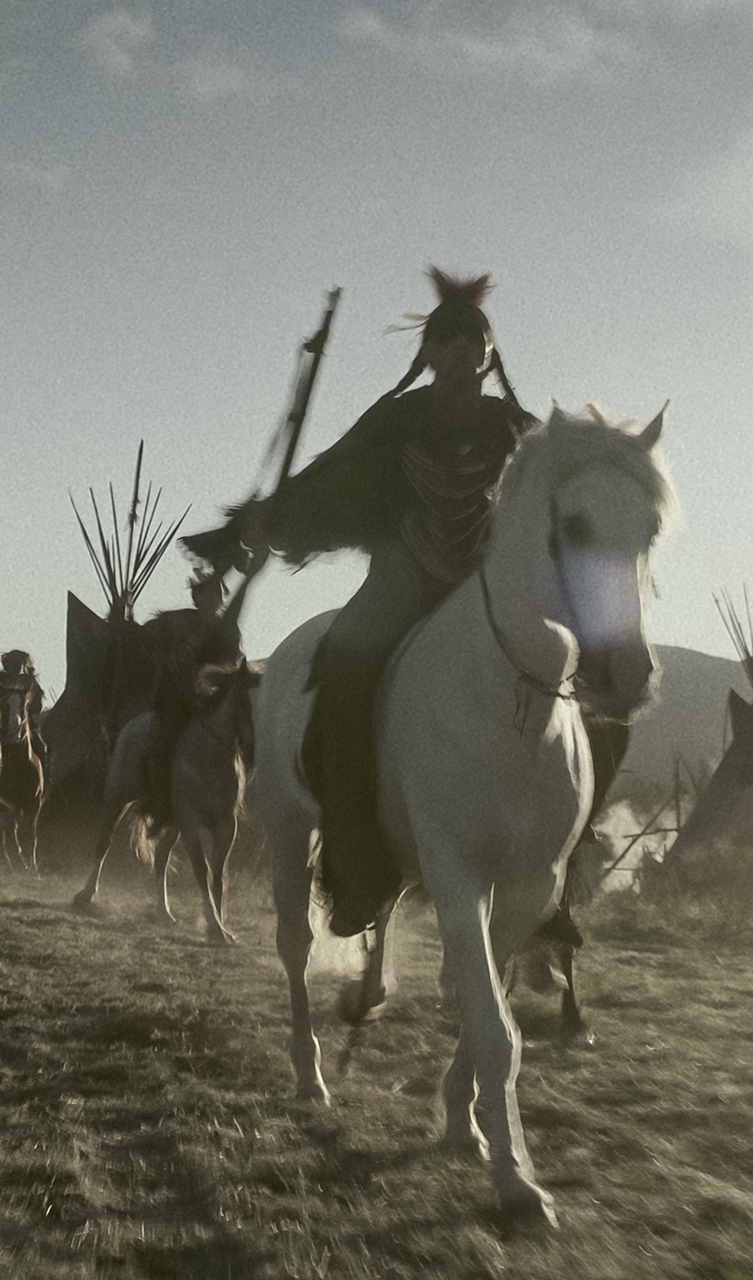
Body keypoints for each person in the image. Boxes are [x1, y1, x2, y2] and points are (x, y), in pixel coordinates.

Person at [186, 266, 535, 933]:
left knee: (571, 682)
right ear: (428, 353)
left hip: (487, 593)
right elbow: (329, 477)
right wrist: (266, 521)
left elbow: (557, 501)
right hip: (400, 583)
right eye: (448, 339)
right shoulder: (395, 421)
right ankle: (356, 864)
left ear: (490, 355)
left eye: (474, 340)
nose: (461, 350)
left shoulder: (521, 432)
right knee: (343, 677)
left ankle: (551, 882)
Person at [138, 571, 239, 828]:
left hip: (215, 699)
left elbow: (234, 662)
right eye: (208, 595)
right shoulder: (175, 621)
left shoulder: (229, 628)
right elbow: (146, 640)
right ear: (198, 598)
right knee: (162, 748)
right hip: (178, 699)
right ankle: (160, 809)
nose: (214, 600)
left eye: (217, 595)